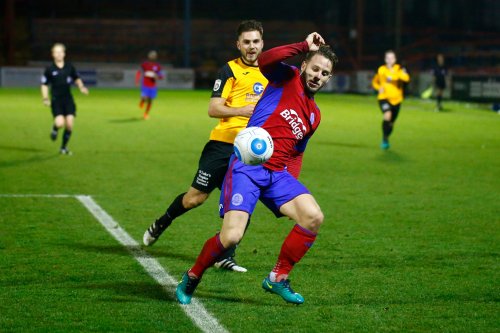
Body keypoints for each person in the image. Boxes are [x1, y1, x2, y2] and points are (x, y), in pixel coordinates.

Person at [175, 32, 338, 305]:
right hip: (247, 168)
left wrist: (290, 186)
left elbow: (298, 152)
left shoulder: (314, 115)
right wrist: (303, 46)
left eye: (324, 73)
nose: (318, 76)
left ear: (328, 78)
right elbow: (266, 58)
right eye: (315, 68)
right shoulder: (284, 78)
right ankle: (192, 276)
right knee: (231, 236)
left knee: (313, 217)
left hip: (277, 176)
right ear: (304, 67)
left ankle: (277, 278)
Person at [143, 20, 268, 272]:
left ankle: (226, 255)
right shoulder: (230, 70)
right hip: (222, 146)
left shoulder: (271, 73)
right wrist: (242, 109)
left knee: (241, 203)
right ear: (238, 44)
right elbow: (213, 108)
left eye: (256, 41)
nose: (251, 47)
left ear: (262, 43)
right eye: (246, 42)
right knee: (194, 199)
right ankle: (162, 222)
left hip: (250, 152)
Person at [41, 43, 89, 155]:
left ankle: (63, 148)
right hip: (56, 100)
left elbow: (76, 78)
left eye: (60, 52)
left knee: (70, 123)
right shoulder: (49, 69)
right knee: (59, 123)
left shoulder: (69, 67)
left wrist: (81, 87)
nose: (58, 54)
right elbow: (44, 84)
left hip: (68, 99)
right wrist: (45, 98)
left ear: (64, 54)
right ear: (53, 54)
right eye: (56, 52)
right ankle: (55, 129)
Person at [372, 50, 410, 150]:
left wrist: (395, 74)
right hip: (383, 98)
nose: (389, 60)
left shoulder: (399, 69)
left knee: (391, 124)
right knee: (387, 115)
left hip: (397, 100)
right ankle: (384, 139)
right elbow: (375, 82)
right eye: (388, 58)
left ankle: (386, 137)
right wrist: (378, 87)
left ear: (395, 59)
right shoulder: (381, 70)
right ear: (385, 59)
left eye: (392, 58)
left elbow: (406, 78)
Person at [135, 50, 164, 120]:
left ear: (156, 57)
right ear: (149, 56)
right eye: (151, 55)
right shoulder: (144, 64)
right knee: (145, 97)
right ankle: (142, 100)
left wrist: (157, 76)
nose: (152, 56)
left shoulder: (157, 66)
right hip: (145, 84)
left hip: (153, 86)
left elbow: (161, 75)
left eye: (154, 55)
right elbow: (139, 72)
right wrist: (137, 80)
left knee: (150, 100)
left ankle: (146, 114)